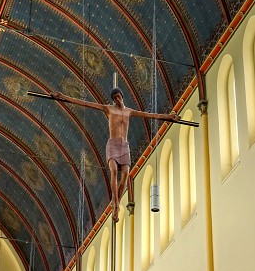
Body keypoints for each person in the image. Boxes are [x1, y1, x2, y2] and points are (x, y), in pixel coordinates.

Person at [50, 88, 176, 221]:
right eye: (114, 97)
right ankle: (115, 204)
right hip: (113, 145)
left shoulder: (129, 111)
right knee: (114, 171)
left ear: (122, 96)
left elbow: (150, 115)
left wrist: (167, 117)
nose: (117, 99)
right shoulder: (109, 109)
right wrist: (63, 97)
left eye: (118, 96)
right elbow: (85, 103)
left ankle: (118, 202)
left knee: (126, 175)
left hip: (124, 146)